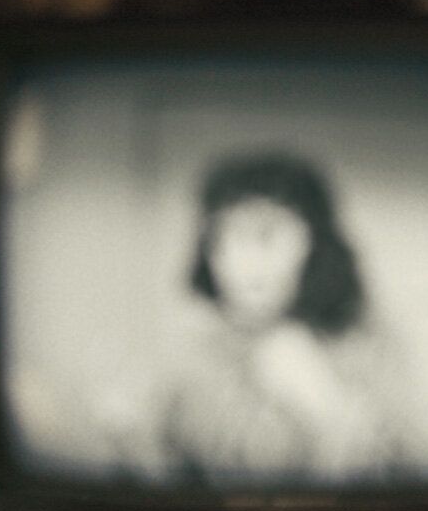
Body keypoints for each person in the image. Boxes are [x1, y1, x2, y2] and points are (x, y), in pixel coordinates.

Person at [130, 151, 420, 487]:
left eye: (265, 235)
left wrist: (323, 400)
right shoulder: (190, 357)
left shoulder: (369, 344)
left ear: (315, 242)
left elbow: (403, 483)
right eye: (222, 238)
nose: (241, 258)